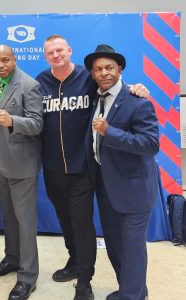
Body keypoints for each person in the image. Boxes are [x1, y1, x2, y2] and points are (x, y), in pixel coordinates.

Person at [36, 35, 150, 300]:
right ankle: (74, 262)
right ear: (45, 55)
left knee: (82, 224)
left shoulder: (88, 79)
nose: (56, 55)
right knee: (65, 221)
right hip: (53, 168)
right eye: (50, 52)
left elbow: (115, 89)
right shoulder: (40, 82)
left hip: (83, 168)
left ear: (69, 50)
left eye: (60, 50)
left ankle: (85, 281)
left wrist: (138, 89)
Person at [85, 44, 159, 300]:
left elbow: (150, 144)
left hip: (134, 190)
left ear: (120, 69)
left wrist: (110, 132)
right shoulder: (96, 97)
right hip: (107, 187)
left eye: (109, 68)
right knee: (116, 247)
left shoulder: (137, 100)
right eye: (98, 69)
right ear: (92, 74)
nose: (104, 73)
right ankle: (133, 290)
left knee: (132, 249)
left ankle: (132, 296)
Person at [0, 45, 43, 300]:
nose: (0, 65)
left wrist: (13, 122)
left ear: (14, 59)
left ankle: (28, 277)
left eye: (5, 60)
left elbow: (37, 124)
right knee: (8, 217)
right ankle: (12, 258)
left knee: (25, 221)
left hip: (22, 164)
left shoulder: (29, 85)